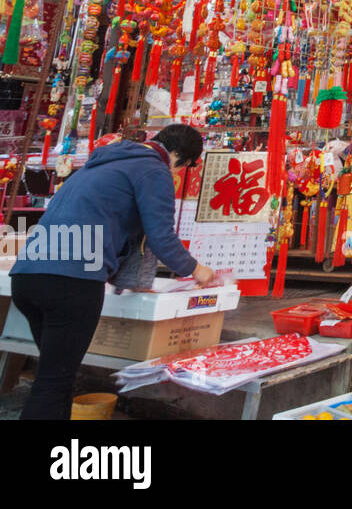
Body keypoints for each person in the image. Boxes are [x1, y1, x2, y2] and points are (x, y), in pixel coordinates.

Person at [9, 124, 215, 419]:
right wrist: (197, 270)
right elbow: (160, 236)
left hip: (27, 276)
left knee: (55, 376)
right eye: (185, 167)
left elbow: (125, 231)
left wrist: (131, 279)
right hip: (71, 281)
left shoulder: (104, 162)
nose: (180, 174)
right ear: (180, 157)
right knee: (53, 383)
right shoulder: (155, 170)